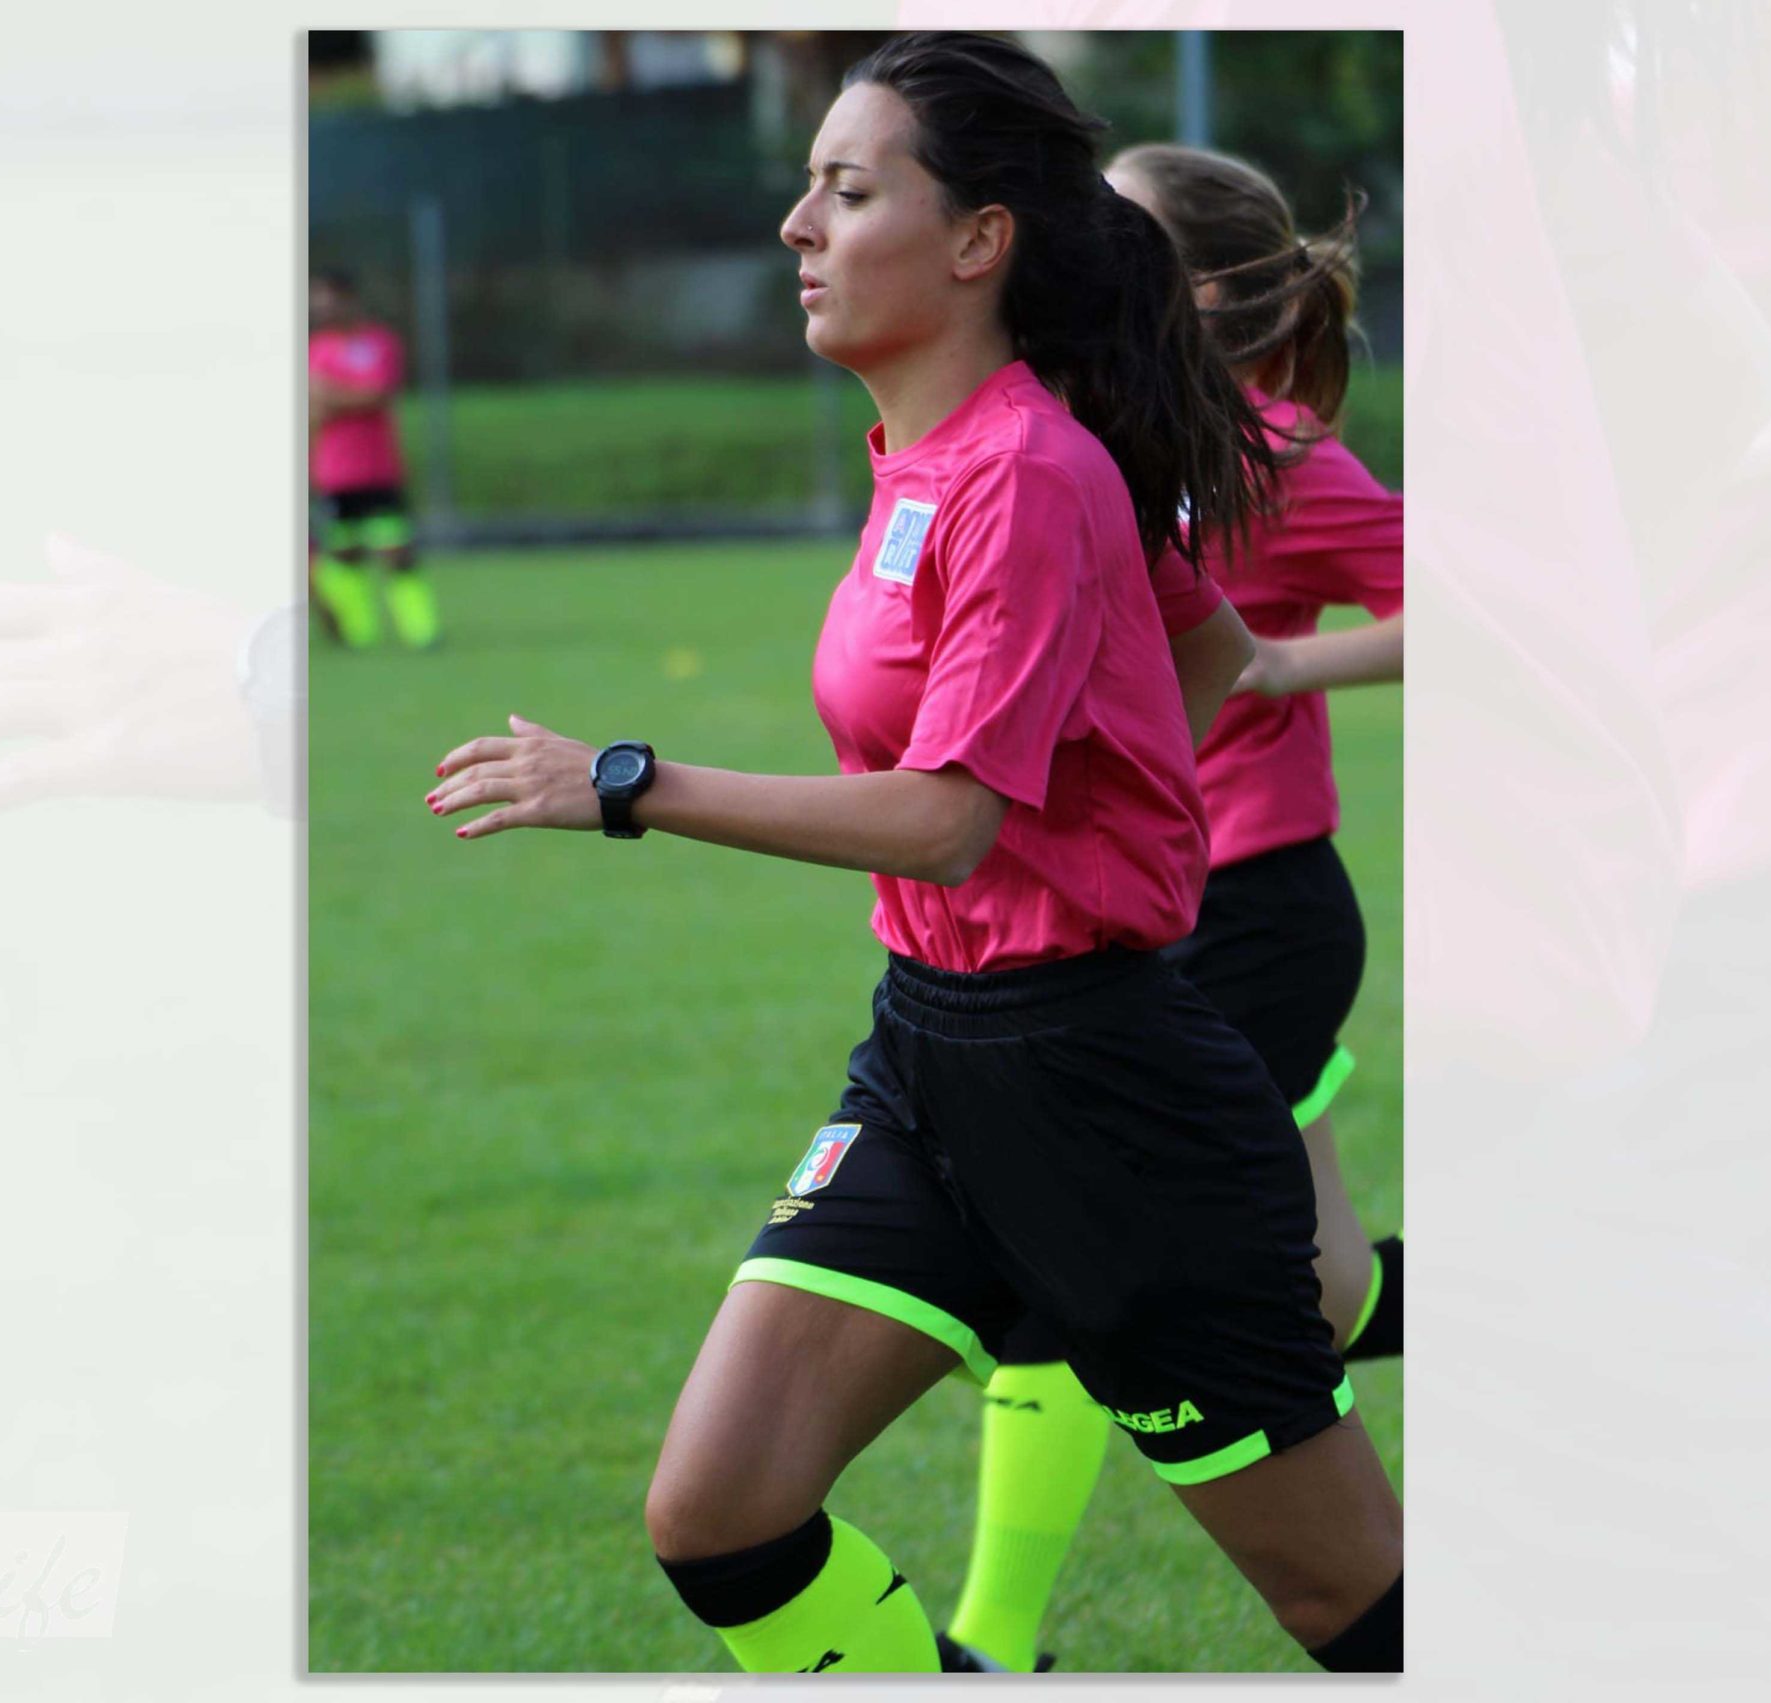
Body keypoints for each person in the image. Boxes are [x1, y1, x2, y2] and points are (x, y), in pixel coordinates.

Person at [427, 31, 1402, 1675]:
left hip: (1112, 1101)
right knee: (720, 1510)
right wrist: (1112, 791)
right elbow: (1206, 646)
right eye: (807, 188)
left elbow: (948, 817)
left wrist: (628, 780)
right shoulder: (935, 460)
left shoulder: (1025, 469)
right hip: (931, 1056)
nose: (798, 225)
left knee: (1360, 1610)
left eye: (848, 189)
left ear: (977, 240)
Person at [937, 142, 1407, 1675]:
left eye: (1111, 226)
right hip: (1148, 914)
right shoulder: (1075, 431)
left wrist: (1280, 663)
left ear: (1194, 284)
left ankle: (990, 1644)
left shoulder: (1275, 451)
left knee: (1072, 1260)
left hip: (1255, 905)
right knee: (1329, 1288)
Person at [309, 269, 439, 650]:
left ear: (349, 300)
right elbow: (313, 405)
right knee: (345, 555)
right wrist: (345, 396)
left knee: (397, 552)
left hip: (378, 471)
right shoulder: (316, 349)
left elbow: (377, 394)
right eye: (317, 302)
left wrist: (332, 395)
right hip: (334, 472)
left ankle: (421, 632)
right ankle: (358, 635)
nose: (321, 308)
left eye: (328, 300)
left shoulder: (379, 343)